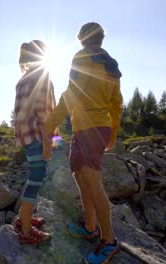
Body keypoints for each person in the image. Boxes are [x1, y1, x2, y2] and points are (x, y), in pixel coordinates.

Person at [42, 22, 123, 263]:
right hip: (91, 129)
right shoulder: (112, 64)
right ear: (100, 38)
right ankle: (90, 227)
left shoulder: (82, 57)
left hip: (89, 129)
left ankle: (109, 243)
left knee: (94, 184)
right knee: (79, 176)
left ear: (81, 39)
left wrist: (49, 124)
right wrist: (113, 133)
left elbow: (71, 93)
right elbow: (116, 104)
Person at [14, 40, 57, 245]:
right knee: (36, 178)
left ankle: (23, 219)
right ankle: (26, 231)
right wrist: (51, 143)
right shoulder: (43, 77)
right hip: (38, 137)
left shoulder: (23, 79)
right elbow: (46, 115)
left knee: (34, 176)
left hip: (26, 136)